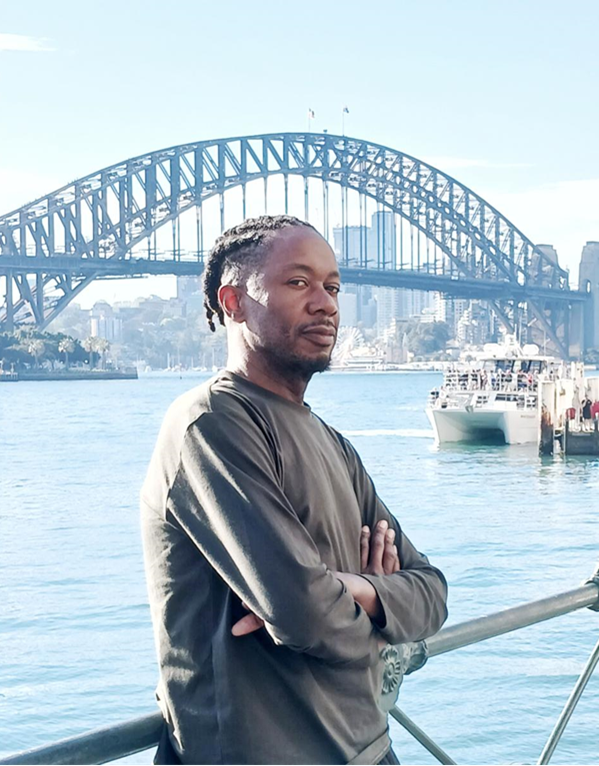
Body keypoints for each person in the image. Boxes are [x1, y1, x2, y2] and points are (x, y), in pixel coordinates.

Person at [141, 215, 448, 766]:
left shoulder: (333, 443)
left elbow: (432, 591)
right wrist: (379, 625)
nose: (326, 303)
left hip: (371, 750)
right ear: (232, 301)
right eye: (298, 282)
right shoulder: (212, 423)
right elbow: (304, 614)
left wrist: (355, 591)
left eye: (333, 287)